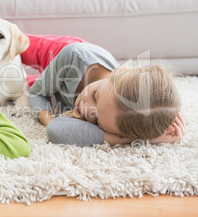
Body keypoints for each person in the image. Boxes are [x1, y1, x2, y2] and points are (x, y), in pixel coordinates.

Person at [21, 34, 187, 147]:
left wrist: (137, 138)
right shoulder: (74, 55)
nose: (85, 111)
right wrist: (50, 120)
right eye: (95, 96)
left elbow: (57, 131)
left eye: (98, 122)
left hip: (58, 91)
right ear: (120, 72)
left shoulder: (121, 113)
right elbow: (38, 93)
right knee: (14, 43)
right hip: (64, 56)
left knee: (18, 85)